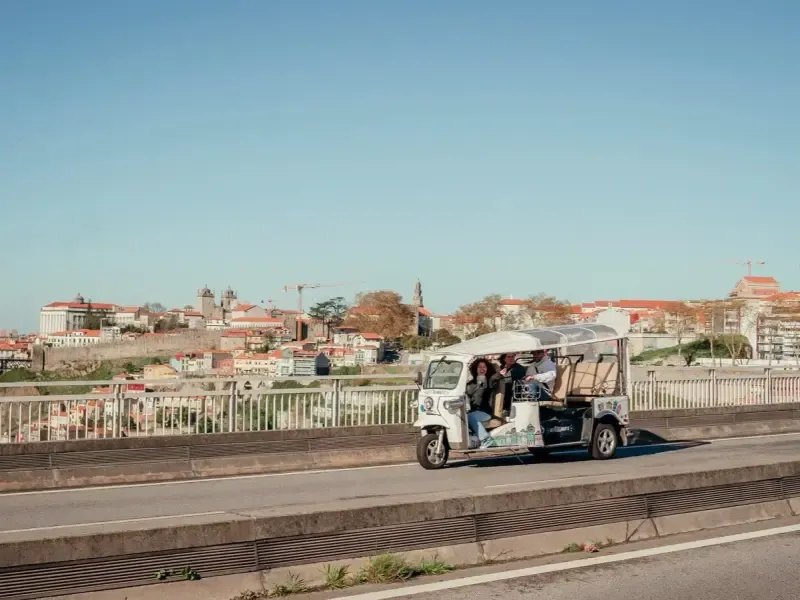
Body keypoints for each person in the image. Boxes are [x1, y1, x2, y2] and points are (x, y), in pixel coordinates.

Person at [466, 359, 495, 447]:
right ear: (476, 368)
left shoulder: (489, 381)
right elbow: (468, 393)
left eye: (484, 367)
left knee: (470, 416)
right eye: (480, 367)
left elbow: (482, 391)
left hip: (485, 411)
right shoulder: (470, 384)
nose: (482, 369)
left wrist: (480, 382)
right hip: (472, 411)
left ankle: (486, 439)